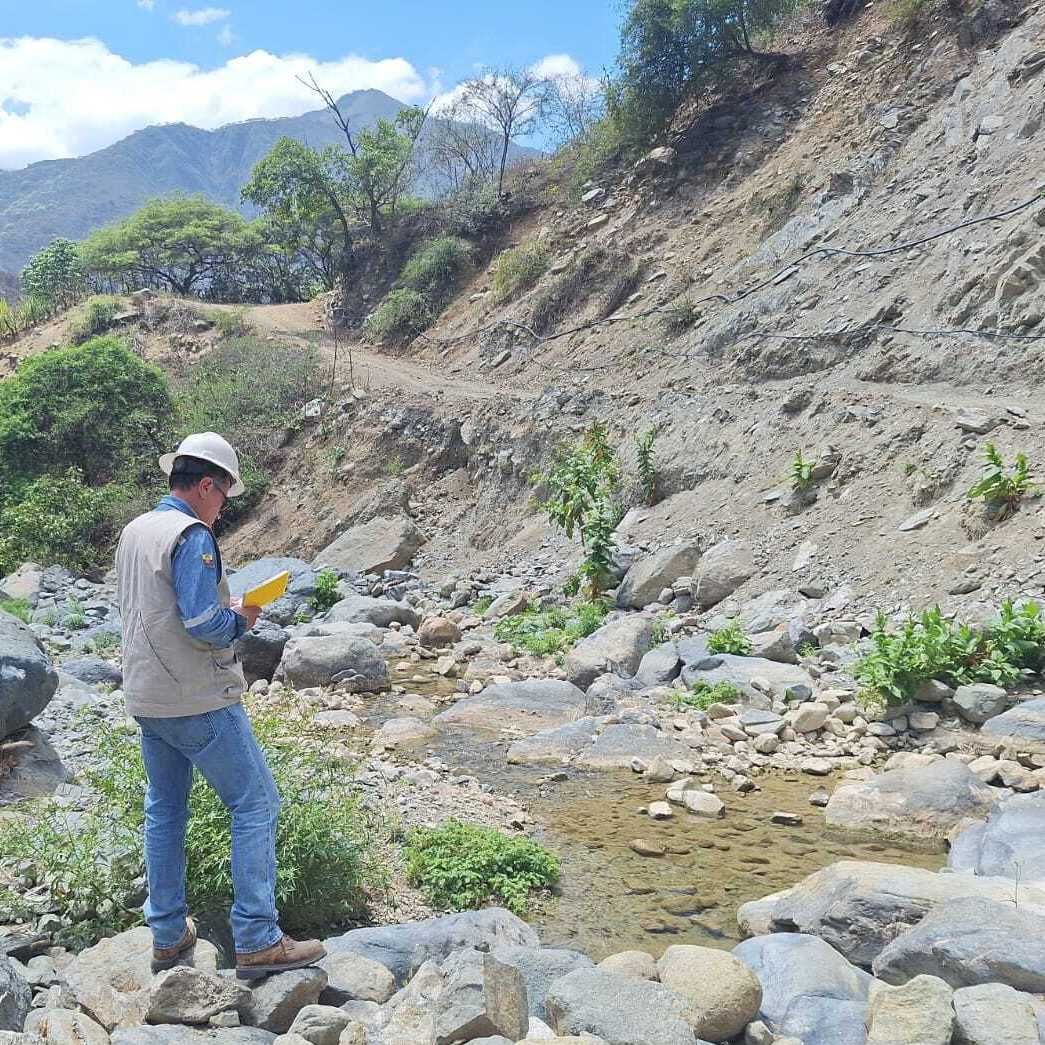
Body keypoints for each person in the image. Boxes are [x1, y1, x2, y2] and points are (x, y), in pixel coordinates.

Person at [116, 432, 326, 978]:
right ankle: (257, 937)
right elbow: (202, 624)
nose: (225, 505)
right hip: (197, 698)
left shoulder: (136, 529)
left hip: (147, 696)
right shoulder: (192, 535)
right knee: (256, 804)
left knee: (165, 809)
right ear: (207, 485)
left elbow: (155, 607)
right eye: (226, 493)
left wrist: (217, 605)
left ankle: (167, 934)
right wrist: (241, 618)